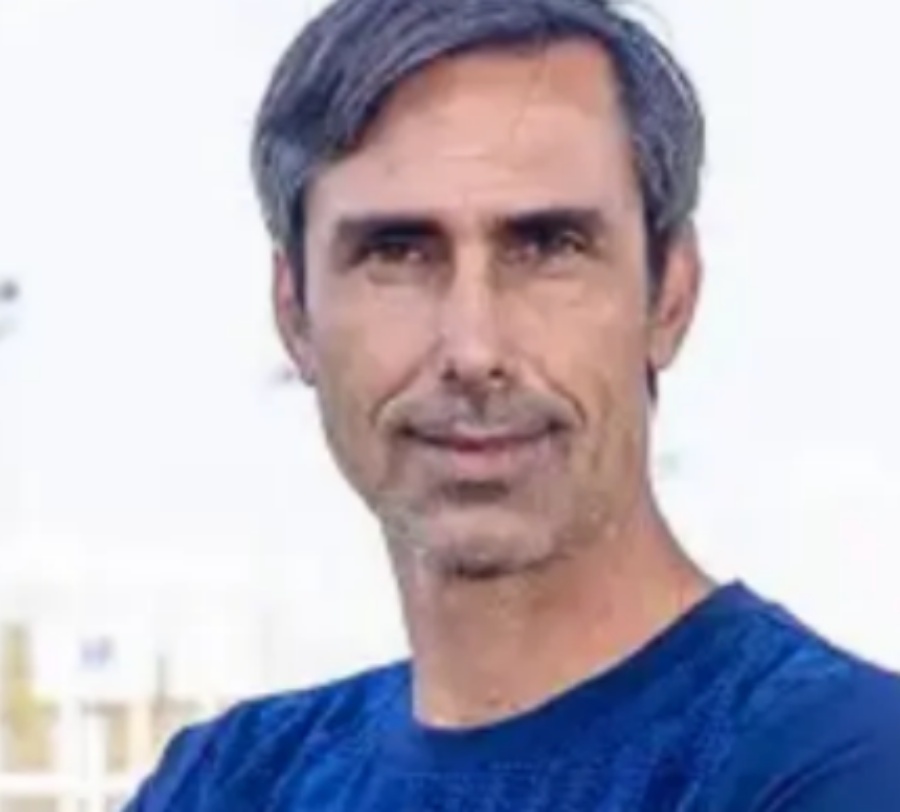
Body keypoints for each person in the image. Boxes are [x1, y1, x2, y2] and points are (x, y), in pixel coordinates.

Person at [123, 0, 900, 809]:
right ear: (294, 312)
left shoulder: (841, 766)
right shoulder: (229, 781)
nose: (473, 349)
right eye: (397, 253)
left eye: (548, 248)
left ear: (671, 293)